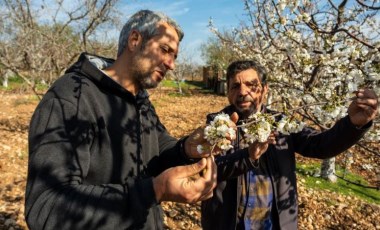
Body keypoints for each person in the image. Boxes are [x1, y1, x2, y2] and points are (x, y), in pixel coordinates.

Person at [25, 10, 226, 230]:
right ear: (134, 40)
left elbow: (158, 148)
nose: (171, 64)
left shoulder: (140, 99)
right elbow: (46, 206)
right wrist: (154, 191)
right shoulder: (71, 97)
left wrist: (187, 149)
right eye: (165, 50)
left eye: (174, 56)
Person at [200, 60, 378, 229]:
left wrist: (353, 125)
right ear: (228, 93)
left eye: (251, 85)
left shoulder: (281, 123)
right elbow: (209, 168)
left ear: (264, 90)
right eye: (235, 86)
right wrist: (248, 155)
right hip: (229, 223)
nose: (243, 92)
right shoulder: (218, 125)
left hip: (273, 223)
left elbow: (320, 145)